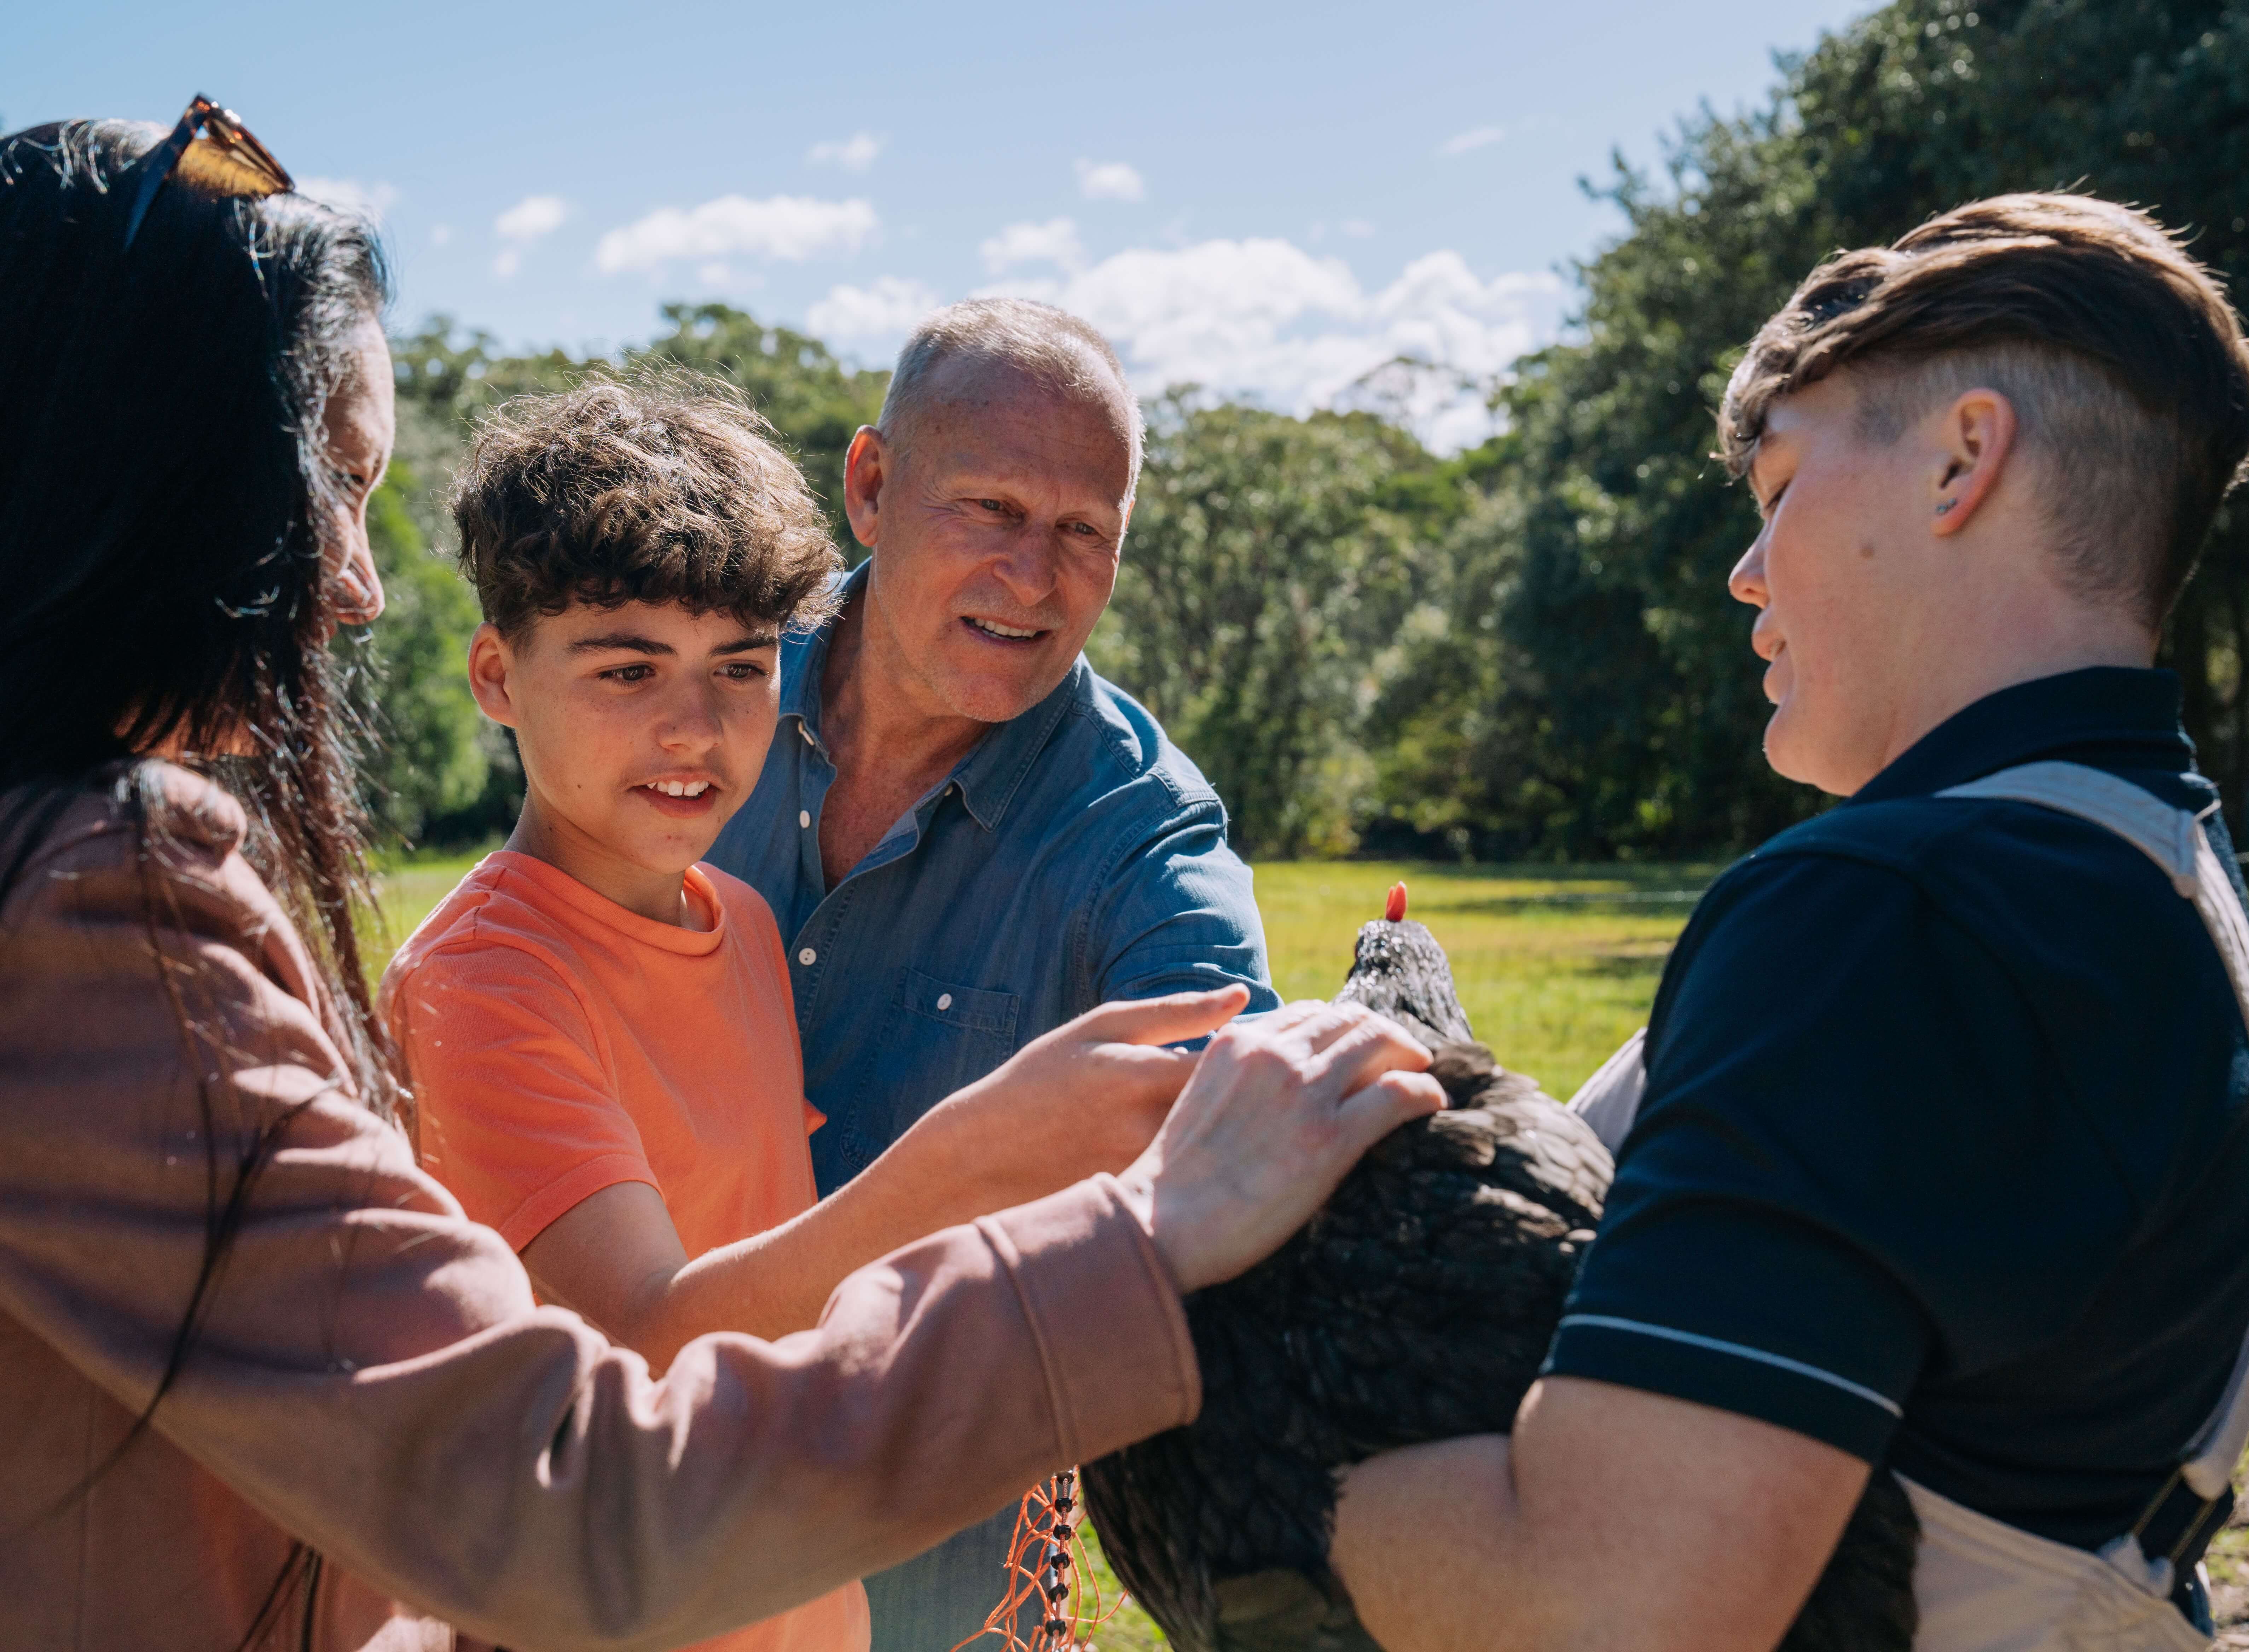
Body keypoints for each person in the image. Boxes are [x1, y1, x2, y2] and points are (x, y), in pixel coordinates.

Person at [0, 104, 1442, 1652]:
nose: (354, 582)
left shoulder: (1062, 840)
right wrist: (1112, 1229)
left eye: (1083, 532)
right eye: (330, 486)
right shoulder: (96, 912)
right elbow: (564, 1486)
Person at [1328, 192, 2249, 1651]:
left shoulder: (1898, 913)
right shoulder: (2152, 870)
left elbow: (1606, 1608)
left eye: (1780, 491)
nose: (1747, 571)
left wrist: (1225, 1433)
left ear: (1964, 459)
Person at [701, 297, 1278, 1649]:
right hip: (607, 1516)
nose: (1034, 578)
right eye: (992, 510)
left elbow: (1232, 1110)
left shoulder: (1142, 836)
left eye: (1086, 535)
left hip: (925, 1584)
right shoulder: (694, 688)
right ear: (871, 485)